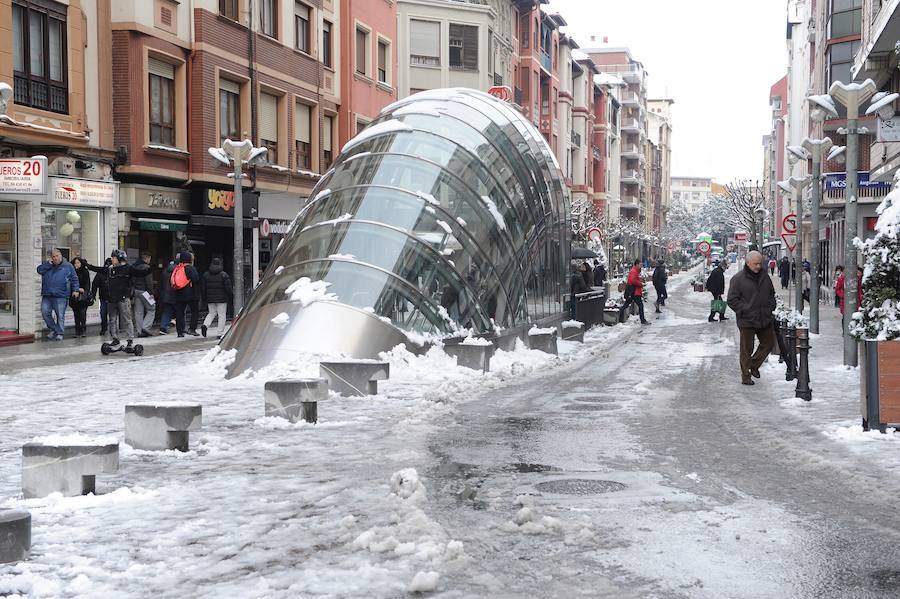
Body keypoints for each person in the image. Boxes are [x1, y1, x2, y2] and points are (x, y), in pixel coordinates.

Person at [727, 251, 777, 386]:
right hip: (747, 319)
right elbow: (731, 300)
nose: (758, 266)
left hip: (764, 317)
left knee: (769, 344)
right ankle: (746, 376)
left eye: (760, 263)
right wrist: (744, 310)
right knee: (746, 349)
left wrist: (770, 307)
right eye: (755, 264)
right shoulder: (738, 279)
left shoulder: (764, 277)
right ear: (748, 263)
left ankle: (753, 365)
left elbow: (771, 293)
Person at [36, 248, 82, 340]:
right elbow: (39, 270)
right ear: (51, 257)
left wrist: (76, 290)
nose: (55, 258)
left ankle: (60, 333)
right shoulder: (48, 265)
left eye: (57, 256)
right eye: (53, 256)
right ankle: (53, 329)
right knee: (45, 312)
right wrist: (48, 264)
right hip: (47, 294)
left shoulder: (68, 266)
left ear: (61, 256)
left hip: (61, 295)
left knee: (60, 315)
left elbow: (74, 278)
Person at [105, 249, 139, 348]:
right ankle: (115, 338)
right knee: (112, 319)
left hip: (123, 298)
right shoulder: (110, 269)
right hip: (112, 298)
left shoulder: (128, 268)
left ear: (119, 259)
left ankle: (130, 339)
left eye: (114, 257)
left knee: (127, 319)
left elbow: (134, 279)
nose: (112, 259)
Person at [201, 257, 232, 338]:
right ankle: (219, 333)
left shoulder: (206, 275)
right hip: (222, 299)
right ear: (220, 264)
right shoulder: (224, 275)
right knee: (222, 315)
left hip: (210, 298)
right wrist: (230, 297)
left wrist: (204, 298)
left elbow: (203, 288)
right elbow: (228, 288)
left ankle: (205, 325)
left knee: (211, 313)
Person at [174, 251, 201, 337]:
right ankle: (192, 329)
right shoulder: (190, 268)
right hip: (191, 294)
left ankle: (180, 332)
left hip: (179, 293)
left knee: (179, 313)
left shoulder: (177, 268)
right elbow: (196, 279)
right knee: (194, 311)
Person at [131, 251, 156, 338]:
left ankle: (139, 331)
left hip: (136, 291)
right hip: (145, 292)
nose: (150, 260)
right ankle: (145, 327)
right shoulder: (146, 267)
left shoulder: (134, 267)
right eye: (150, 259)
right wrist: (151, 293)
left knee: (138, 312)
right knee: (152, 308)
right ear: (147, 258)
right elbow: (149, 282)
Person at [619, 258, 650, 325]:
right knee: (640, 306)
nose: (641, 266)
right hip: (635, 292)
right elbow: (633, 281)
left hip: (633, 291)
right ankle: (643, 320)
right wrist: (641, 284)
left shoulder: (636, 271)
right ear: (636, 264)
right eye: (640, 264)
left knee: (626, 305)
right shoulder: (634, 271)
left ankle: (619, 316)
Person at [69, 257, 92, 337]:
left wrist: (84, 290)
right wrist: (74, 290)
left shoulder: (85, 271)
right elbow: (69, 283)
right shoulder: (71, 272)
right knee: (76, 314)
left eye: (78, 263)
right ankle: (77, 331)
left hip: (83, 297)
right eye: (75, 263)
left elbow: (87, 284)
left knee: (82, 314)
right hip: (74, 296)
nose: (76, 265)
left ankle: (83, 330)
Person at [88, 258, 112, 336]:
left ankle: (111, 329)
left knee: (110, 315)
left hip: (110, 298)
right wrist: (93, 294)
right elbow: (95, 284)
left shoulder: (112, 273)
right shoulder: (101, 273)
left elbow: (95, 284)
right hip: (104, 297)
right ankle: (104, 328)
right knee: (104, 314)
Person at [157, 258, 177, 335]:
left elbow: (161, 284)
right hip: (175, 294)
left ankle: (163, 327)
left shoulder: (165, 271)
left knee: (167, 312)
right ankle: (179, 327)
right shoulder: (177, 271)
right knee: (179, 311)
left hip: (165, 295)